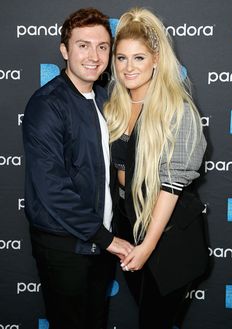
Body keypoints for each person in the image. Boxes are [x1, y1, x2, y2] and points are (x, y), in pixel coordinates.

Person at [22, 8, 133, 329]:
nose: (94, 56)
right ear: (64, 50)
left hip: (99, 241)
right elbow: (51, 188)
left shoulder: (102, 99)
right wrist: (105, 238)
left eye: (102, 47)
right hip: (66, 246)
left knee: (96, 320)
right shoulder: (47, 105)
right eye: (83, 45)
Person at [104, 7, 209, 329]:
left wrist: (148, 245)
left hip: (170, 237)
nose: (128, 67)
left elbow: (172, 183)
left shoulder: (177, 109)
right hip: (128, 227)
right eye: (121, 58)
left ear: (155, 59)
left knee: (154, 322)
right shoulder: (114, 105)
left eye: (138, 58)